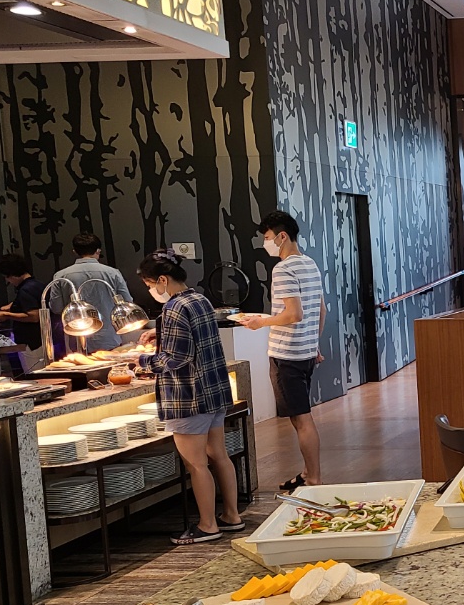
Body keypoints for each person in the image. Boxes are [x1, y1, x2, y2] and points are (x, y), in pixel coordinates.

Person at [138, 251, 242, 544]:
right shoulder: (200, 299)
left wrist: (142, 361)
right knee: (219, 454)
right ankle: (232, 516)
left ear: (162, 280)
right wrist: (159, 336)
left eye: (150, 284)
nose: (151, 290)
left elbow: (177, 357)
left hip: (188, 395)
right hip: (213, 390)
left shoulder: (173, 307)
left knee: (196, 464)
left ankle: (208, 525)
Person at [238, 211, 325, 491]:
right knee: (301, 417)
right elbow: (321, 310)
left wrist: (259, 322)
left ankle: (313, 478)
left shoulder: (283, 269)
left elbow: (293, 314)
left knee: (302, 418)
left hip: (287, 355)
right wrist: (313, 344)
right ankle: (308, 472)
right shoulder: (310, 264)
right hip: (305, 353)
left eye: (267, 237)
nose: (266, 243)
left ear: (282, 236)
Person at [46, 233, 131, 353]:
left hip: (78, 337)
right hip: (109, 337)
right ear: (98, 251)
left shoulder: (61, 276)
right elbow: (127, 302)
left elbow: (56, 307)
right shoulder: (113, 273)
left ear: (75, 252)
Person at [0, 254, 45, 364]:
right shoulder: (37, 285)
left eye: (6, 277)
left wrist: (7, 315)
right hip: (41, 340)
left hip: (32, 344)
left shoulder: (25, 290)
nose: (8, 281)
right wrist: (13, 306)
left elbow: (34, 316)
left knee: (33, 373)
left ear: (12, 275)